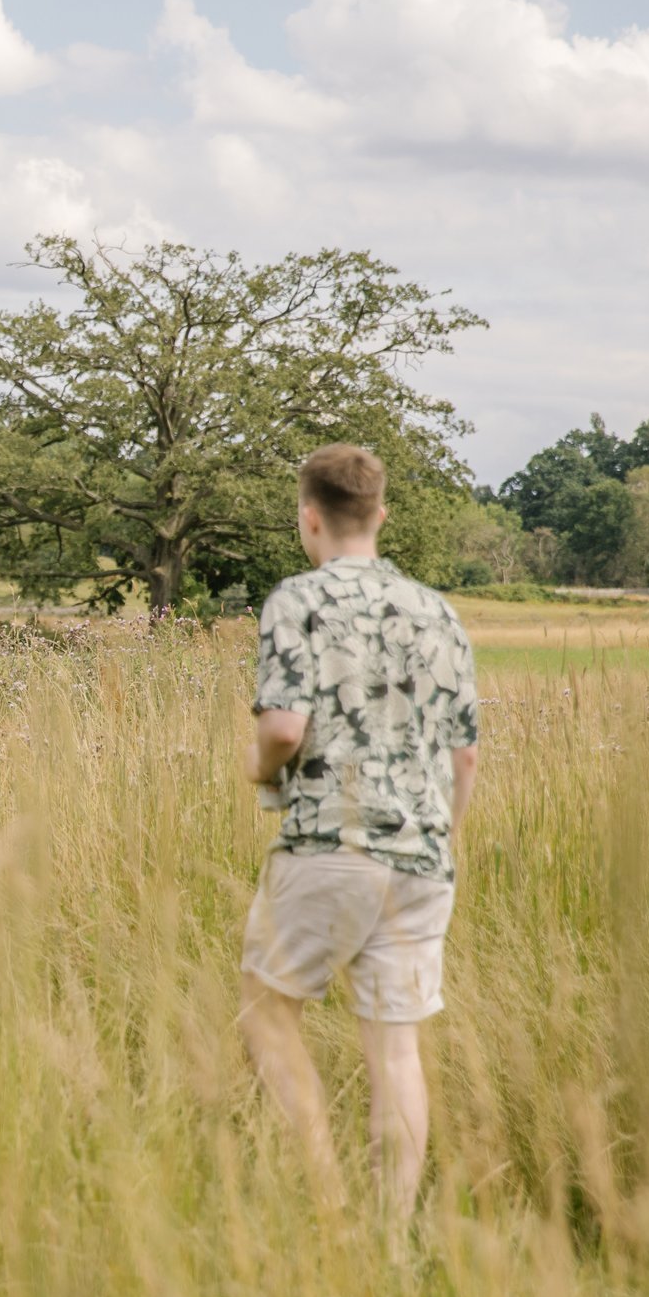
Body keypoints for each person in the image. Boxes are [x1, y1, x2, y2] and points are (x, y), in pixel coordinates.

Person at [237, 443, 481, 1220]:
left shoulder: (297, 601)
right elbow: (465, 754)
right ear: (380, 515)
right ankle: (391, 1231)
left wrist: (258, 769)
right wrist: (440, 837)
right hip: (422, 855)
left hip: (327, 842)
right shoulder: (438, 612)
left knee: (267, 1012)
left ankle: (327, 1199)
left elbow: (282, 727)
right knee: (397, 1049)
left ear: (309, 517)